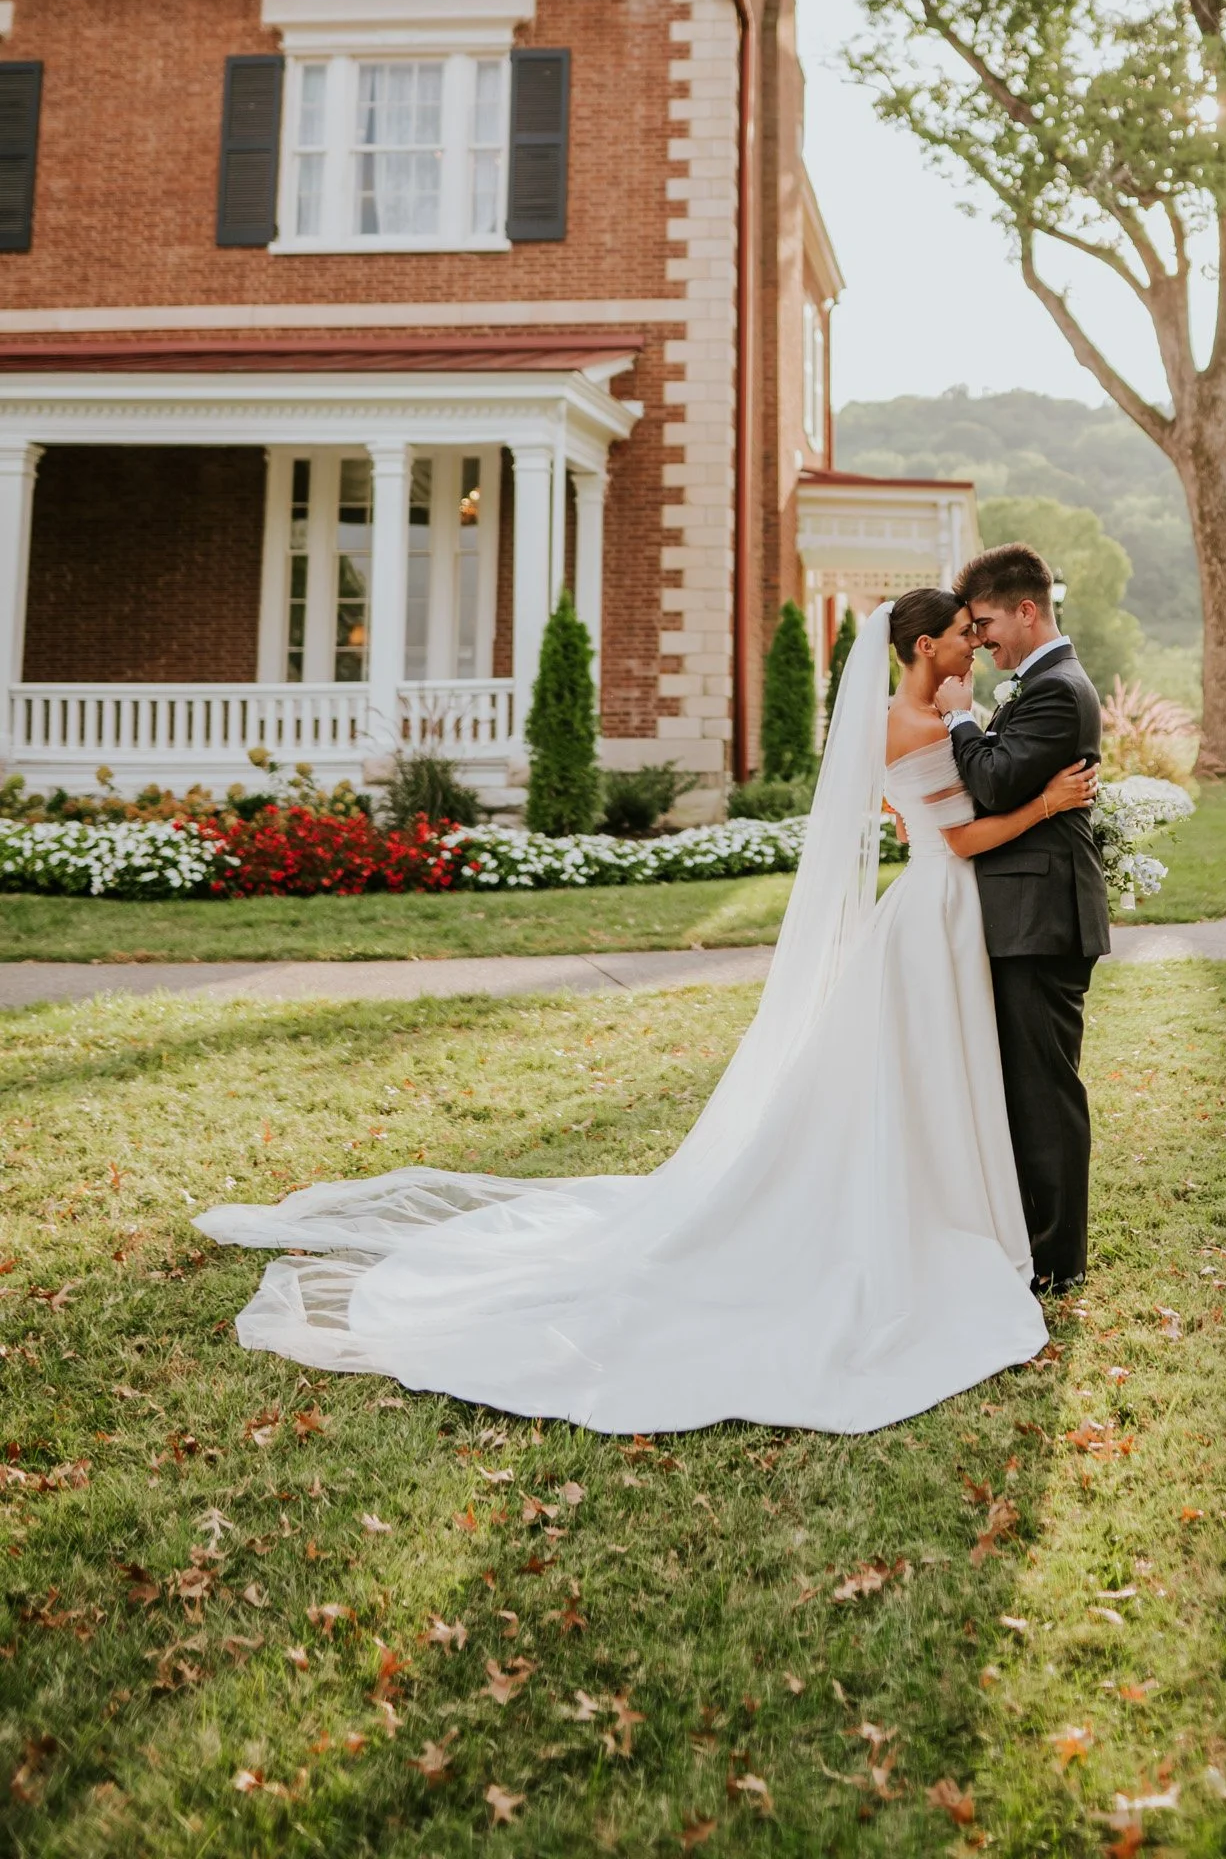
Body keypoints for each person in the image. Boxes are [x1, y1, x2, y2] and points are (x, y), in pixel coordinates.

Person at [193, 596, 1095, 1437]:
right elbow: (958, 835)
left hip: (932, 912)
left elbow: (916, 815)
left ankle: (952, 1207)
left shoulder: (894, 722)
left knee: (922, 1074)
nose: (975, 647)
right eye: (962, 637)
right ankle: (936, 1217)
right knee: (926, 1070)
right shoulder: (921, 720)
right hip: (939, 905)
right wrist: (1048, 804)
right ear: (923, 647)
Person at [939, 543, 1108, 1296]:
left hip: (1041, 919)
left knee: (1043, 1090)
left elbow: (997, 782)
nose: (979, 640)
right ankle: (1035, 1242)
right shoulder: (1037, 685)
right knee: (1024, 1085)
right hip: (1025, 910)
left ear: (1027, 609)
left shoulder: (1056, 691)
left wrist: (958, 723)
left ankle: (1057, 1259)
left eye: (984, 624)